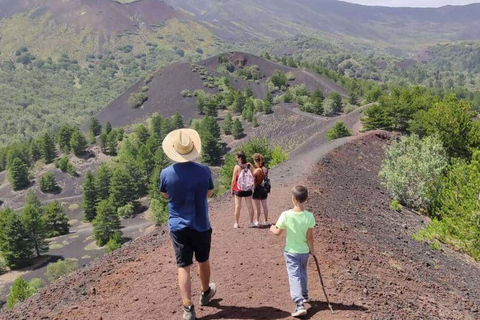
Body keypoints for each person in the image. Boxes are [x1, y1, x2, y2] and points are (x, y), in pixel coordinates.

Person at [160, 128, 217, 320]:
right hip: (201, 223)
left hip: (178, 226)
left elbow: (165, 195)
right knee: (203, 260)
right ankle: (205, 293)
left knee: (183, 265)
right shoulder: (204, 171)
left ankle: (187, 308)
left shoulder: (166, 173)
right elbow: (209, 194)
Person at [270, 185, 316, 317]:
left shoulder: (286, 215)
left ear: (293, 199)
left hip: (291, 251)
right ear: (306, 199)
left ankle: (299, 303)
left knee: (294, 275)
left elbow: (277, 232)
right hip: (304, 251)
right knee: (302, 272)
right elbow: (310, 237)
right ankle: (305, 294)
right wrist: (312, 250)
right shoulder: (309, 216)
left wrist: (272, 228)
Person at [231, 151, 256, 228]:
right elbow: (254, 175)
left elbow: (233, 180)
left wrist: (232, 189)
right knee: (250, 206)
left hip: (238, 189)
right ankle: (251, 222)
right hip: (248, 188)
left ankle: (236, 223)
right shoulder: (250, 165)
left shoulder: (237, 167)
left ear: (239, 158)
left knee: (238, 206)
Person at [252, 153, 269, 226]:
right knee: (265, 206)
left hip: (257, 190)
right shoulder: (265, 169)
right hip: (264, 189)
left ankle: (257, 221)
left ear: (256, 161)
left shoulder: (256, 171)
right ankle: (266, 221)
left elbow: (254, 182)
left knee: (258, 207)